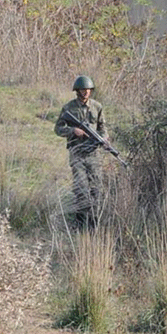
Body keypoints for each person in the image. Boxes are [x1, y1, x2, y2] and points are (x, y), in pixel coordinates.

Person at [54, 75, 109, 229]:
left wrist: (104, 139)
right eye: (82, 90)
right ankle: (79, 222)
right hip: (77, 153)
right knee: (81, 188)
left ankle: (94, 223)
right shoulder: (68, 108)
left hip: (93, 154)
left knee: (96, 188)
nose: (85, 92)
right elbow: (58, 129)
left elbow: (103, 128)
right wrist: (73, 130)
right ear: (77, 90)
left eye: (88, 90)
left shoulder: (97, 107)